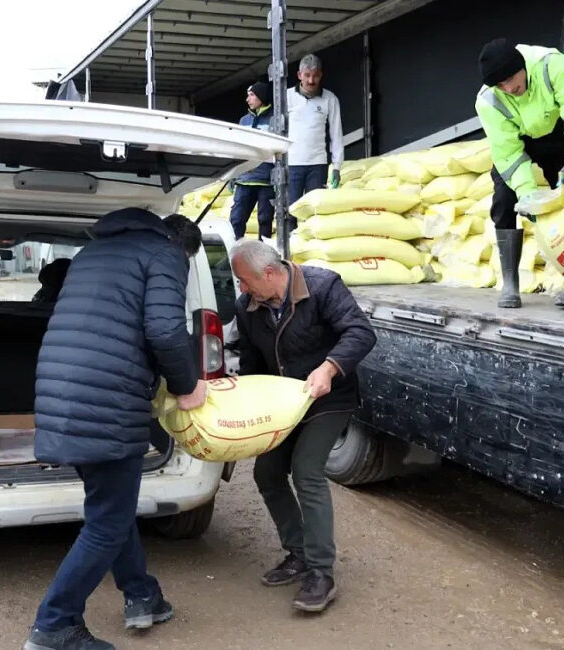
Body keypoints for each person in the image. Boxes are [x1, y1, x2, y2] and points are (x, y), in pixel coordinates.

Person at [25, 210, 208, 650]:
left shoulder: (93, 251)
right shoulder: (166, 253)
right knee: (107, 522)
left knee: (112, 508)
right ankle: (55, 626)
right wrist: (186, 387)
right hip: (106, 396)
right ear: (183, 246)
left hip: (63, 389)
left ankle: (142, 595)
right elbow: (165, 330)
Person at [230, 240, 376, 613]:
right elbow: (251, 364)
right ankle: (297, 553)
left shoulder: (323, 286)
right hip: (282, 405)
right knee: (267, 473)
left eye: (244, 281)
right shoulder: (247, 308)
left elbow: (360, 332)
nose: (242, 288)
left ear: (268, 273)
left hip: (329, 399)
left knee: (307, 470)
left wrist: (329, 367)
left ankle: (321, 572)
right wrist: (247, 408)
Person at [475, 38, 564, 311]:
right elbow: (507, 151)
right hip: (520, 142)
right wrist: (527, 193)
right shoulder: (488, 100)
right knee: (504, 200)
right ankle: (510, 282)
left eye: (511, 78)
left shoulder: (551, 65)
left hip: (557, 135)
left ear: (521, 66)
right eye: (500, 85)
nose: (509, 88)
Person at [286, 54, 344, 225]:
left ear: (321, 75)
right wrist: (275, 165)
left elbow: (336, 133)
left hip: (317, 164)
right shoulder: (286, 96)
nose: (311, 80)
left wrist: (337, 166)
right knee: (290, 212)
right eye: (307, 75)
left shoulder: (330, 99)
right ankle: (290, 249)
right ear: (299, 76)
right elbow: (277, 132)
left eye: (315, 75)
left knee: (315, 212)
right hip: (292, 163)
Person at [230, 81, 276, 240]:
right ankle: (235, 252)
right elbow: (238, 148)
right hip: (244, 179)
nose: (247, 99)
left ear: (261, 97)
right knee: (236, 220)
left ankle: (264, 257)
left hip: (266, 180)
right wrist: (233, 175)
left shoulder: (275, 119)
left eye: (251, 95)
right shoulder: (244, 121)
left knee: (265, 220)